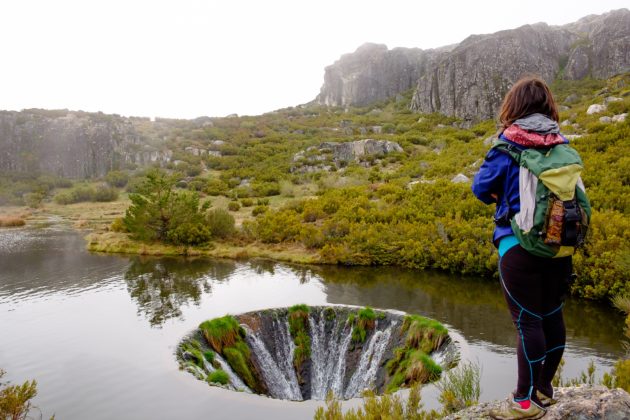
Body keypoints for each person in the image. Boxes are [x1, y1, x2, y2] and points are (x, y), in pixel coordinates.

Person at [472, 76, 574, 420]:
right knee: (552, 317)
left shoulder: (506, 145)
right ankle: (544, 388)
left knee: (528, 322)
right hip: (560, 247)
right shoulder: (561, 143)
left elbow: (480, 189)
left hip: (519, 247)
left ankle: (523, 403)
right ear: (548, 106)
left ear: (513, 107)